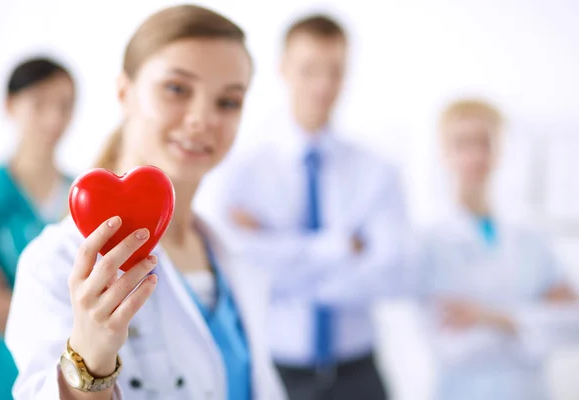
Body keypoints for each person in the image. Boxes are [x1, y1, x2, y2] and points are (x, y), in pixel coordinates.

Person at [5, 5, 287, 400]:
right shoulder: (54, 262)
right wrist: (90, 361)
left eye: (228, 102)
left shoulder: (235, 257)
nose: (201, 119)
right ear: (124, 92)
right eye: (177, 89)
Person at [198, 14, 407, 400]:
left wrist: (279, 250)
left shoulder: (378, 172)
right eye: (310, 69)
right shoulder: (241, 172)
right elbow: (243, 270)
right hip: (277, 373)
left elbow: (391, 275)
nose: (323, 84)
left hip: (359, 374)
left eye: (335, 70)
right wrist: (342, 247)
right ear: (282, 69)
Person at [414, 98, 579, 400]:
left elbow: (574, 323)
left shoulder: (531, 238)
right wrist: (535, 320)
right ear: (443, 153)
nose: (475, 155)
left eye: (484, 142)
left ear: (499, 150)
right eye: (462, 143)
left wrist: (487, 317)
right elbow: (452, 348)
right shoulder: (428, 244)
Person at [0, 56, 76, 399]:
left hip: (67, 385)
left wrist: (14, 303)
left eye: (65, 105)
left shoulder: (84, 197)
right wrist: (70, 311)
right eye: (39, 104)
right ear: (10, 105)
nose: (55, 118)